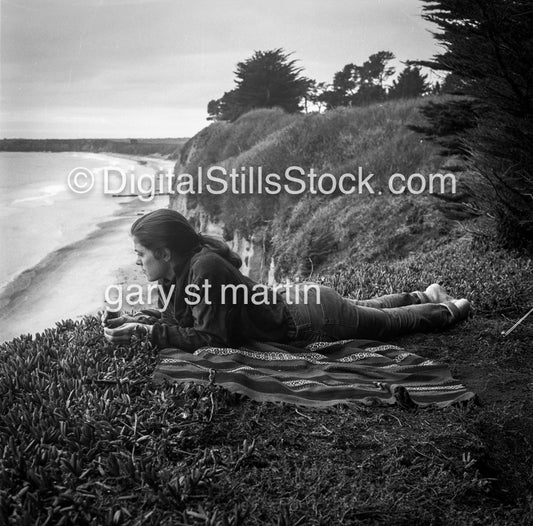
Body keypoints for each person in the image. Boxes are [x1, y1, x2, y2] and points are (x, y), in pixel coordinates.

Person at [103, 209, 471, 351]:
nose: (138, 262)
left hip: (309, 317)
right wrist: (142, 321)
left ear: (165, 253)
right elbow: (183, 320)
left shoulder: (205, 270)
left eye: (140, 254)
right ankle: (423, 292)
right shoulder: (180, 272)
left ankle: (450, 309)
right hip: (302, 303)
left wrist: (145, 334)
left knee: (389, 324)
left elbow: (214, 338)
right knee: (370, 309)